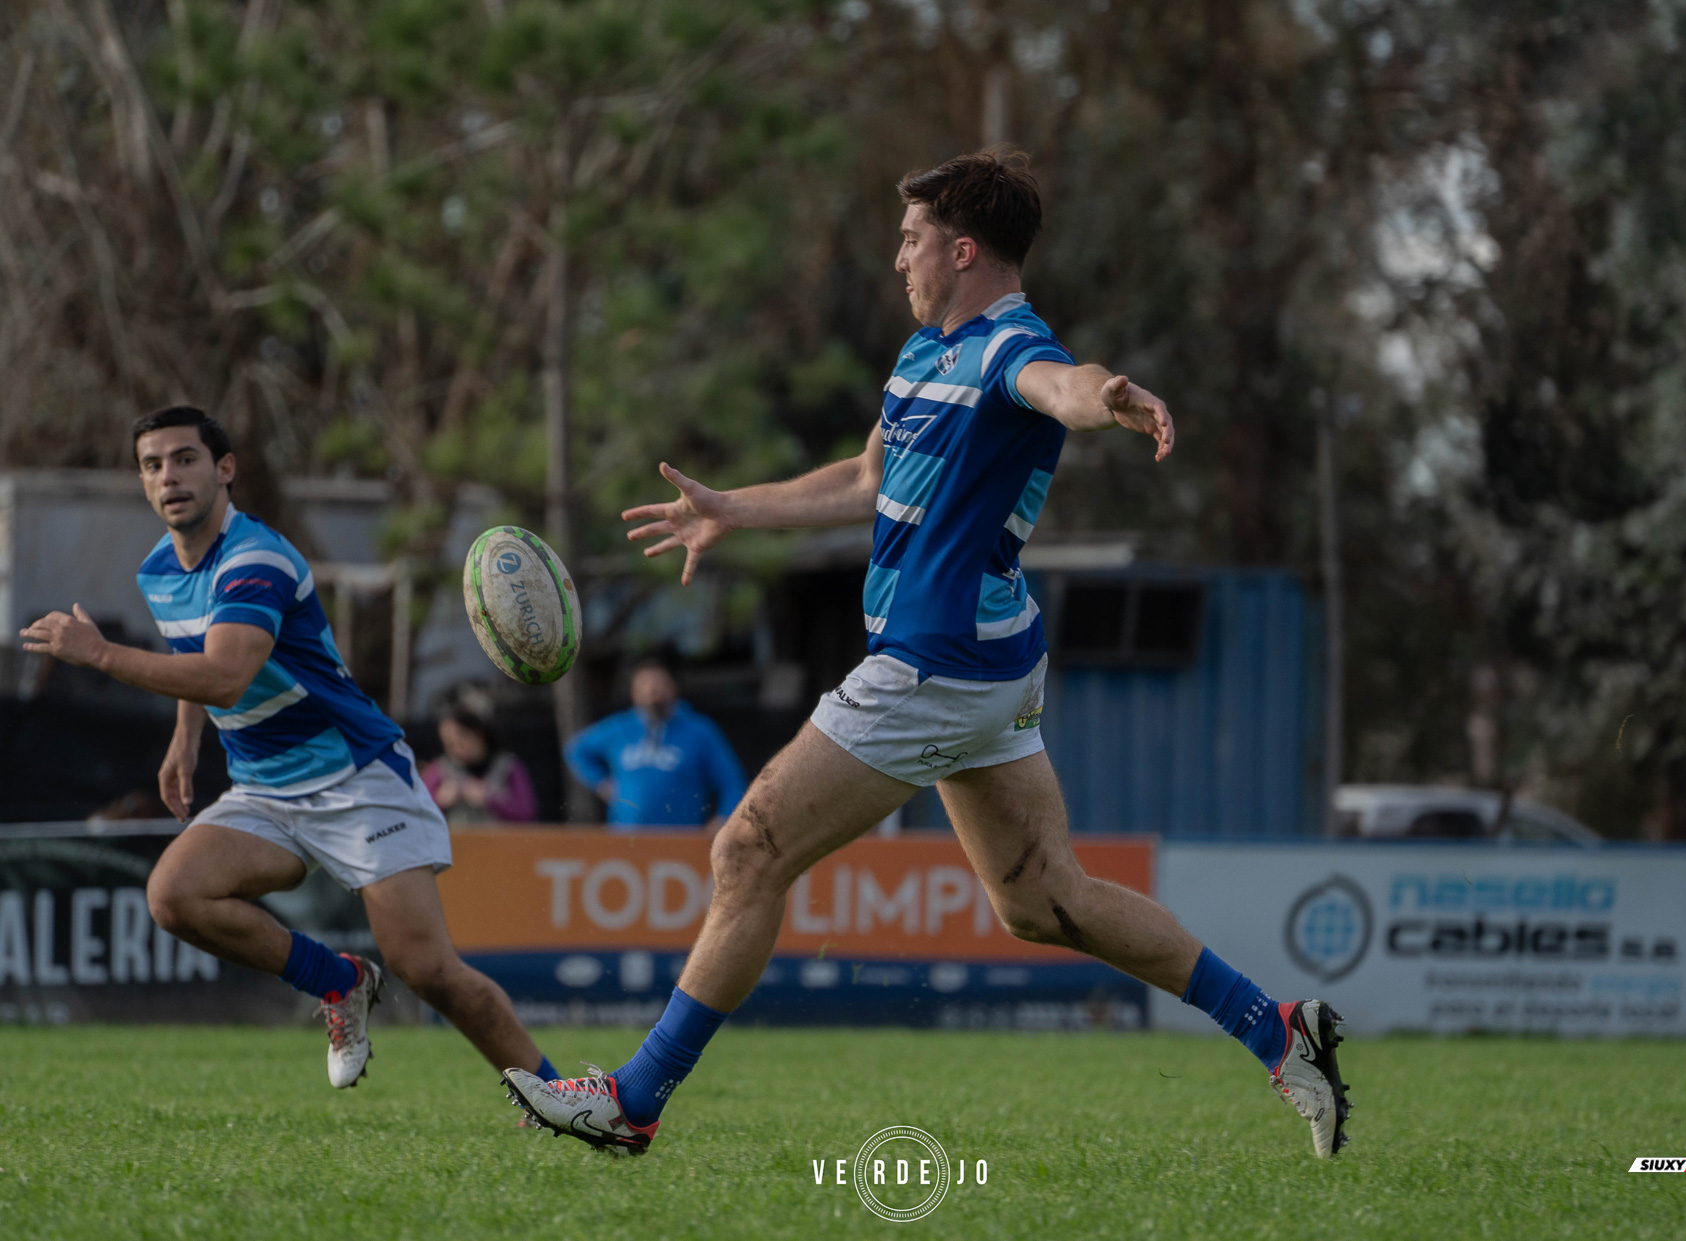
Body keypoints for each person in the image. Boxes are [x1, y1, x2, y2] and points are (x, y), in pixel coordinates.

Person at [503, 150, 1352, 1159]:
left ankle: (634, 1097)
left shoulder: (1009, 349)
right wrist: (736, 508)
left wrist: (1106, 394)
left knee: (747, 849)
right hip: (987, 665)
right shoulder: (921, 355)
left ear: (961, 248)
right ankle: (1279, 1028)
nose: (897, 256)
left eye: (911, 239)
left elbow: (1060, 383)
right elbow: (867, 475)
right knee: (1045, 901)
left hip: (933, 665)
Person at [20, 407, 560, 1091]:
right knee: (174, 895)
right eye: (153, 465)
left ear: (224, 469)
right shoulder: (159, 571)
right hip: (266, 788)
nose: (168, 476)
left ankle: (563, 1095)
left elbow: (225, 672)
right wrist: (184, 740)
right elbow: (197, 654)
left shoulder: (256, 559)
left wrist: (98, 653)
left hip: (357, 776)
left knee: (428, 969)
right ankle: (340, 982)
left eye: (185, 458)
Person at [562, 655, 747, 830]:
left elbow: (732, 782)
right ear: (633, 693)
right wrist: (602, 783)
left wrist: (723, 819)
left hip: (682, 840)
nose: (652, 691)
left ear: (674, 688)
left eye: (659, 684)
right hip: (626, 838)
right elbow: (577, 750)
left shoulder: (699, 730)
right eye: (644, 685)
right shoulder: (619, 728)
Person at [423, 686, 540, 825]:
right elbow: (418, 814)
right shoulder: (440, 769)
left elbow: (528, 814)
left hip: (501, 843)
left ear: (479, 733)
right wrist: (440, 801)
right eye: (449, 745)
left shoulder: (509, 766)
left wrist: (490, 799)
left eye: (461, 740)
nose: (455, 749)